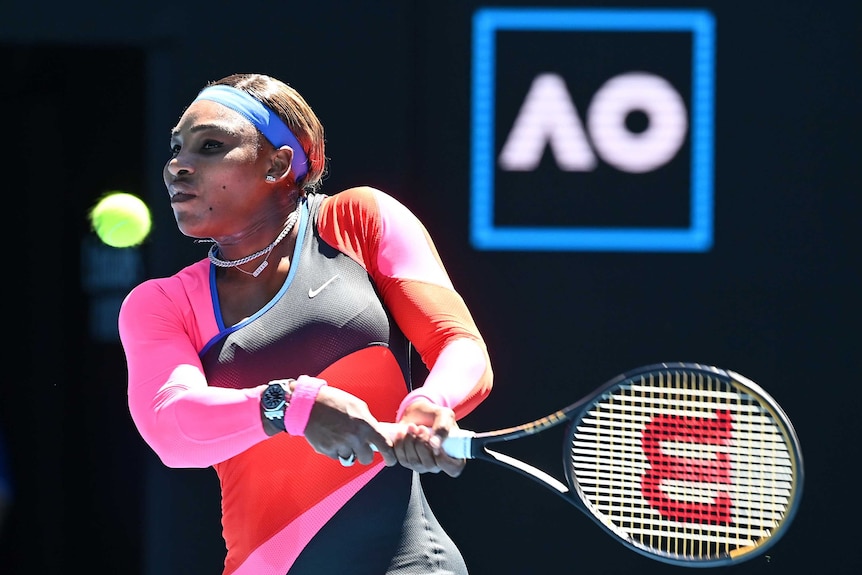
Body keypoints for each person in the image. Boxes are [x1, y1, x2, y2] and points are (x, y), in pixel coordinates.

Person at [118, 73, 494, 575]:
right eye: (175, 148)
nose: (177, 167)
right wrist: (291, 406)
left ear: (278, 164)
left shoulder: (359, 221)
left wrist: (431, 401)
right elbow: (170, 427)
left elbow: (459, 344)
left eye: (210, 146)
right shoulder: (160, 303)